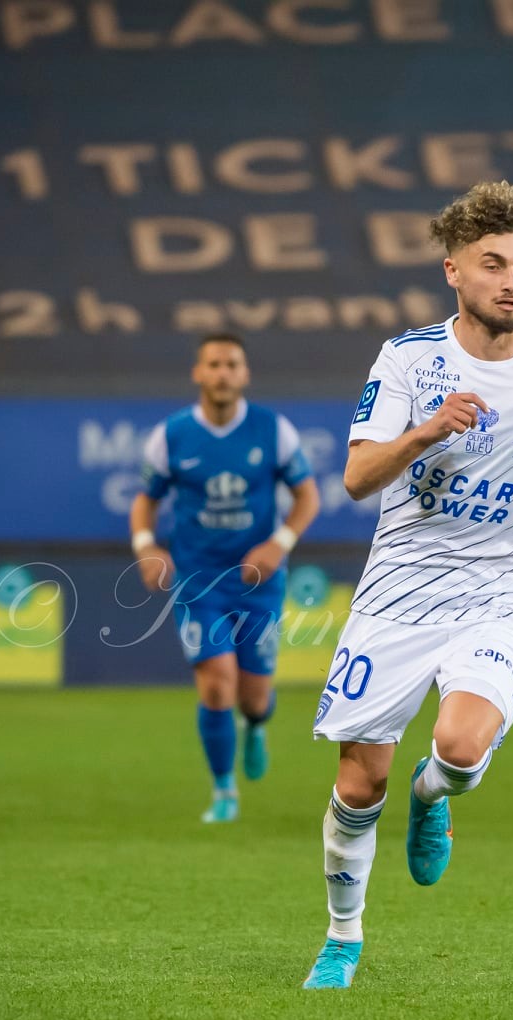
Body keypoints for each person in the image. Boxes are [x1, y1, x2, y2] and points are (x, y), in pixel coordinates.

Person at [303, 181, 513, 989]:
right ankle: (342, 939)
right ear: (453, 269)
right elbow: (355, 478)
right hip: (400, 588)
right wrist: (423, 432)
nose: (512, 283)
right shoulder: (408, 360)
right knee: (360, 779)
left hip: (504, 590)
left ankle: (436, 796)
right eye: (493, 264)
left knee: (456, 748)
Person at [130, 333, 320, 824]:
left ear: (244, 374)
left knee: (254, 696)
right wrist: (146, 545)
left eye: (231, 364)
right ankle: (223, 791)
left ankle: (255, 726)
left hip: (257, 581)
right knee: (217, 684)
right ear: (198, 373)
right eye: (213, 364)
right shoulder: (171, 435)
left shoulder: (271, 430)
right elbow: (144, 500)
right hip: (198, 579)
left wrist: (278, 544)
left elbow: (307, 498)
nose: (222, 373)